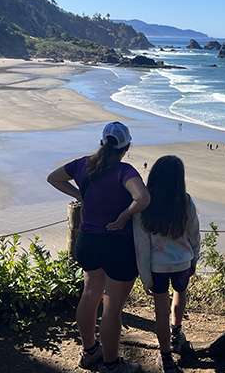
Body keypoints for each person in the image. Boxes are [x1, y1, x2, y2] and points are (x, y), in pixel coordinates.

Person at [47, 121, 150, 373]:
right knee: (112, 307)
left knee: (90, 295)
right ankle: (112, 365)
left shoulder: (83, 164)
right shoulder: (124, 171)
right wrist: (125, 214)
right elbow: (143, 198)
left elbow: (53, 178)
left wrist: (79, 194)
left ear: (103, 142)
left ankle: (90, 352)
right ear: (126, 147)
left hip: (87, 243)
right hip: (118, 246)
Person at [133, 156, 200, 373]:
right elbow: (194, 235)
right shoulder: (186, 202)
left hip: (157, 266)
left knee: (160, 312)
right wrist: (194, 259)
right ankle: (176, 333)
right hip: (182, 262)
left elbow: (141, 246)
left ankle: (166, 358)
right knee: (181, 293)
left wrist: (145, 277)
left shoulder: (145, 205)